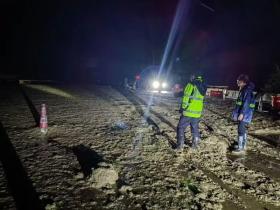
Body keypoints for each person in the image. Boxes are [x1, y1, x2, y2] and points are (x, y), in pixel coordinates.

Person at [175, 75, 207, 150]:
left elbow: (186, 97)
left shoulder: (191, 84)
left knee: (180, 127)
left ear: (193, 77)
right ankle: (194, 146)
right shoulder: (203, 86)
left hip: (188, 112)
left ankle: (180, 146)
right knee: (195, 128)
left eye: (191, 76)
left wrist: (183, 108)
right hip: (197, 113)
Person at [232, 74, 255, 152]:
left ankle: (240, 147)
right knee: (243, 129)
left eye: (238, 81)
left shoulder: (246, 90)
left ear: (243, 82)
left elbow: (246, 103)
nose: (237, 82)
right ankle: (243, 145)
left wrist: (242, 114)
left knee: (241, 130)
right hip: (245, 114)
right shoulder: (245, 89)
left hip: (245, 114)